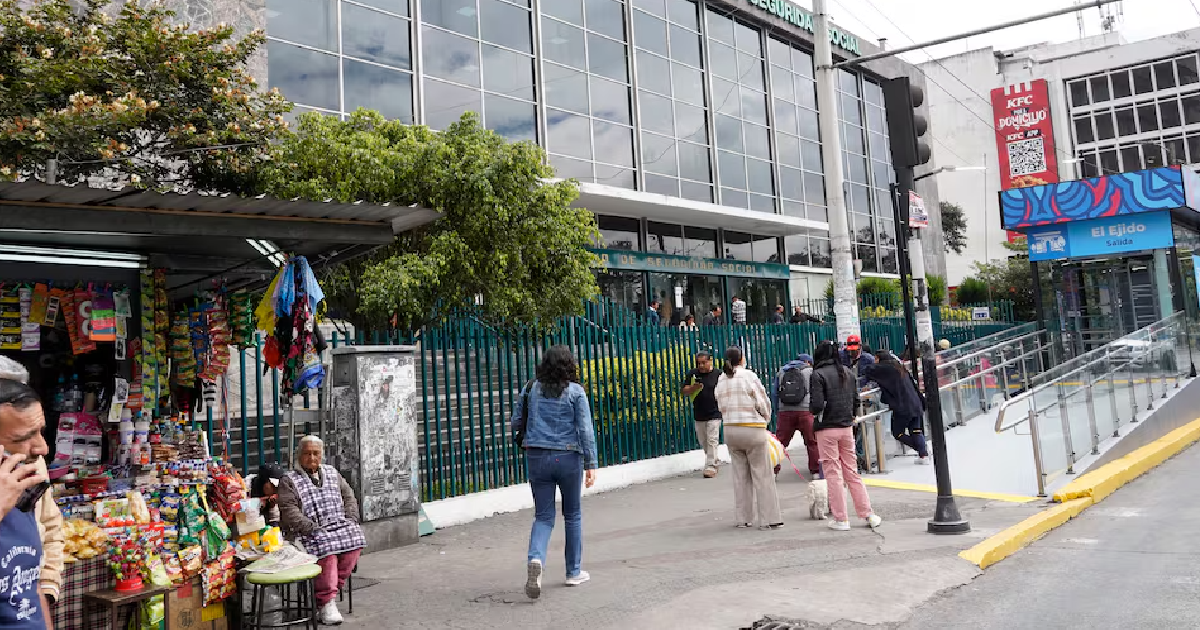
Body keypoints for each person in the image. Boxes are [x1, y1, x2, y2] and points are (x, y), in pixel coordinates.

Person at [511, 346, 598, 599]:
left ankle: (536, 559)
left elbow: (516, 422)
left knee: (543, 516)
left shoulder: (530, 388)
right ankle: (573, 571)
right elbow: (585, 430)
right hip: (569, 457)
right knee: (572, 515)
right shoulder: (576, 392)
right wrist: (591, 464)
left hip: (537, 456)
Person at [0, 358, 65, 617]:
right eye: (22, 438)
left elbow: (50, 526)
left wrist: (46, 591)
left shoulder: (32, 464)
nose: (42, 449)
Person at [278, 435, 365, 625]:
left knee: (356, 536)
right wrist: (312, 528)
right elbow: (290, 511)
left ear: (322, 455)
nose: (312, 458)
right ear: (299, 455)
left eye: (316, 453)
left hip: (338, 526)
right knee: (326, 547)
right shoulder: (288, 480)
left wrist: (351, 519)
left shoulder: (332, 473)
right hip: (306, 532)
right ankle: (326, 601)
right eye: (307, 453)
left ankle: (329, 592)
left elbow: (349, 497)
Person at [810, 342, 881, 531]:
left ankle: (841, 518)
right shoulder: (848, 372)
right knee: (851, 471)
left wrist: (814, 411)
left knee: (833, 473)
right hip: (846, 427)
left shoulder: (817, 375)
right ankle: (868, 514)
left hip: (826, 429)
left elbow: (816, 406)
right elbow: (856, 400)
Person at [714, 347, 782, 530]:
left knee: (740, 476)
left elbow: (719, 404)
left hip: (730, 430)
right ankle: (768, 519)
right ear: (742, 358)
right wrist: (765, 419)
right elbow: (763, 402)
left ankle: (743, 518)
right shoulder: (748, 376)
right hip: (752, 429)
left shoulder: (721, 379)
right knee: (762, 474)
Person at [866, 351, 929, 464]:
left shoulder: (885, 368)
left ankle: (922, 449)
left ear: (879, 358)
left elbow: (868, 370)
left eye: (875, 359)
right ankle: (923, 454)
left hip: (903, 407)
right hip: (915, 403)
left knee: (898, 433)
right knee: (916, 431)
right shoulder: (899, 367)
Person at [773, 354, 819, 476]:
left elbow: (775, 393)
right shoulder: (810, 372)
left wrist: (778, 410)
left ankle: (773, 470)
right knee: (812, 441)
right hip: (805, 411)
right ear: (807, 362)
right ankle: (815, 471)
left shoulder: (782, 371)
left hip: (785, 411)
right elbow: (816, 392)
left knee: (779, 443)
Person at [681, 351, 723, 478]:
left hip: (715, 412)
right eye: (699, 363)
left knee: (712, 439)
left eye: (704, 363)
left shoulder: (719, 374)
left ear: (710, 361)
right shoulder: (693, 374)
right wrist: (693, 388)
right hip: (699, 413)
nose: (701, 366)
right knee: (703, 441)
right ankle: (714, 459)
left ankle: (711, 466)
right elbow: (684, 390)